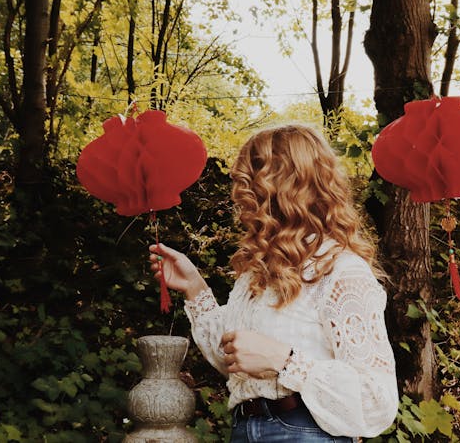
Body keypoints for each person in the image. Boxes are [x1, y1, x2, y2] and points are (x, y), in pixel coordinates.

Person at [148, 124, 398, 442]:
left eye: (249, 185)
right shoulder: (257, 273)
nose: (240, 198)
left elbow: (375, 398)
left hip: (307, 431)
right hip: (245, 428)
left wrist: (284, 360)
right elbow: (233, 361)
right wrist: (194, 287)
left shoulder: (341, 271)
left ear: (285, 188)